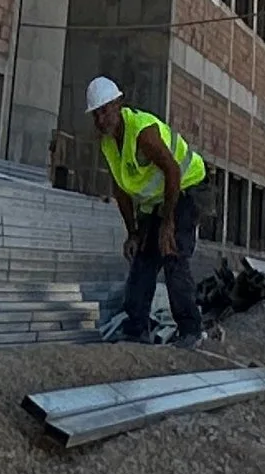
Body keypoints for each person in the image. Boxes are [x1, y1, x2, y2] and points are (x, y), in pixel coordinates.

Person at [85, 74, 208, 344]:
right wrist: (134, 233)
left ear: (118, 104)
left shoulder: (143, 131)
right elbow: (121, 189)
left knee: (172, 254)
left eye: (104, 111)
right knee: (142, 260)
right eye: (95, 114)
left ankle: (191, 331)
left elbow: (173, 171)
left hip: (187, 187)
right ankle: (135, 330)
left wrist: (167, 224)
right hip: (157, 199)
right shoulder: (108, 143)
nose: (100, 119)